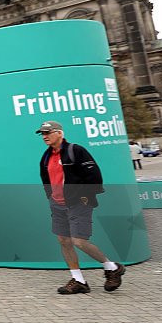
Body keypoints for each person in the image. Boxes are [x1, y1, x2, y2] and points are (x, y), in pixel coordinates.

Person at [37, 120, 125, 294]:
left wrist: (85, 197)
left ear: (60, 133)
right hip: (58, 204)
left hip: (78, 203)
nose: (45, 136)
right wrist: (51, 197)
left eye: (48, 132)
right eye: (42, 134)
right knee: (64, 241)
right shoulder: (46, 156)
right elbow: (45, 178)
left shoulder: (76, 150)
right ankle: (78, 280)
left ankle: (112, 267)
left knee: (79, 241)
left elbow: (94, 176)